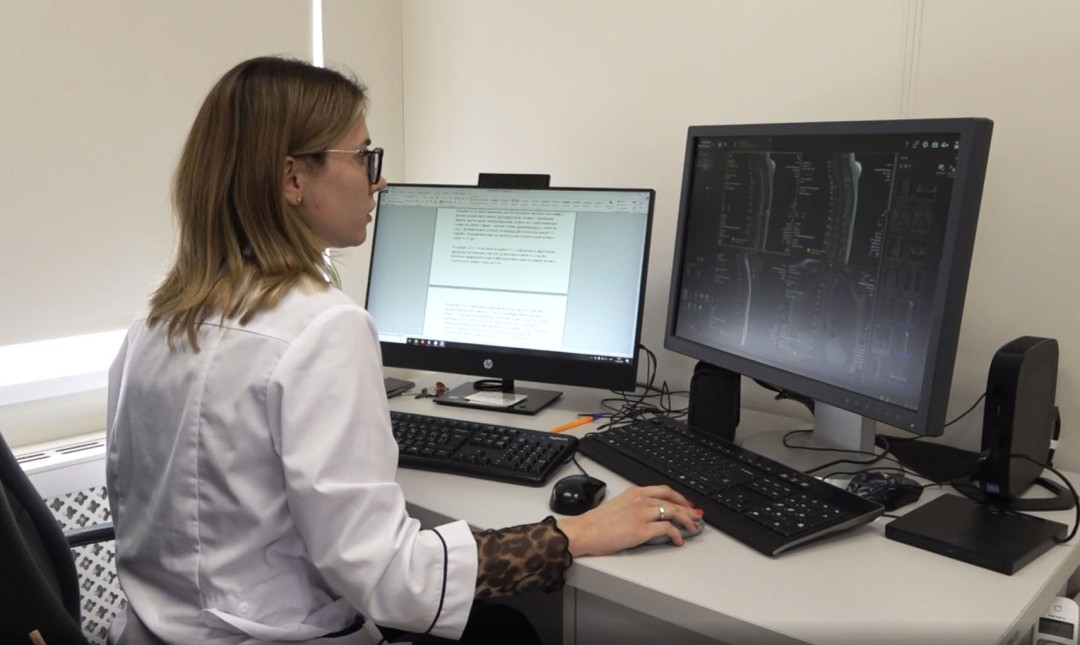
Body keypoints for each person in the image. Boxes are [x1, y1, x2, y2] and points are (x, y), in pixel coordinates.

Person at [104, 56, 702, 645]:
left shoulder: (157, 320)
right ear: (293, 179)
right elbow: (393, 579)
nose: (379, 181)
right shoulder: (321, 327)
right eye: (364, 157)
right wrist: (575, 534)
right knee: (508, 633)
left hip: (154, 633)